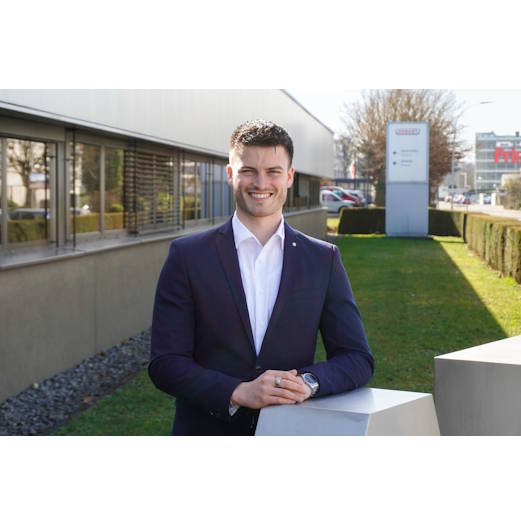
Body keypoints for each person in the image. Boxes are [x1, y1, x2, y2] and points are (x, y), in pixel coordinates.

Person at [149, 119, 374, 435]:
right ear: (231, 174)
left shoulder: (323, 259)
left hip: (289, 434)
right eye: (248, 171)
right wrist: (238, 392)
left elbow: (357, 358)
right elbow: (165, 362)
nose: (261, 182)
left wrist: (307, 383)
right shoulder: (187, 256)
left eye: (273, 171)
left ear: (290, 176)